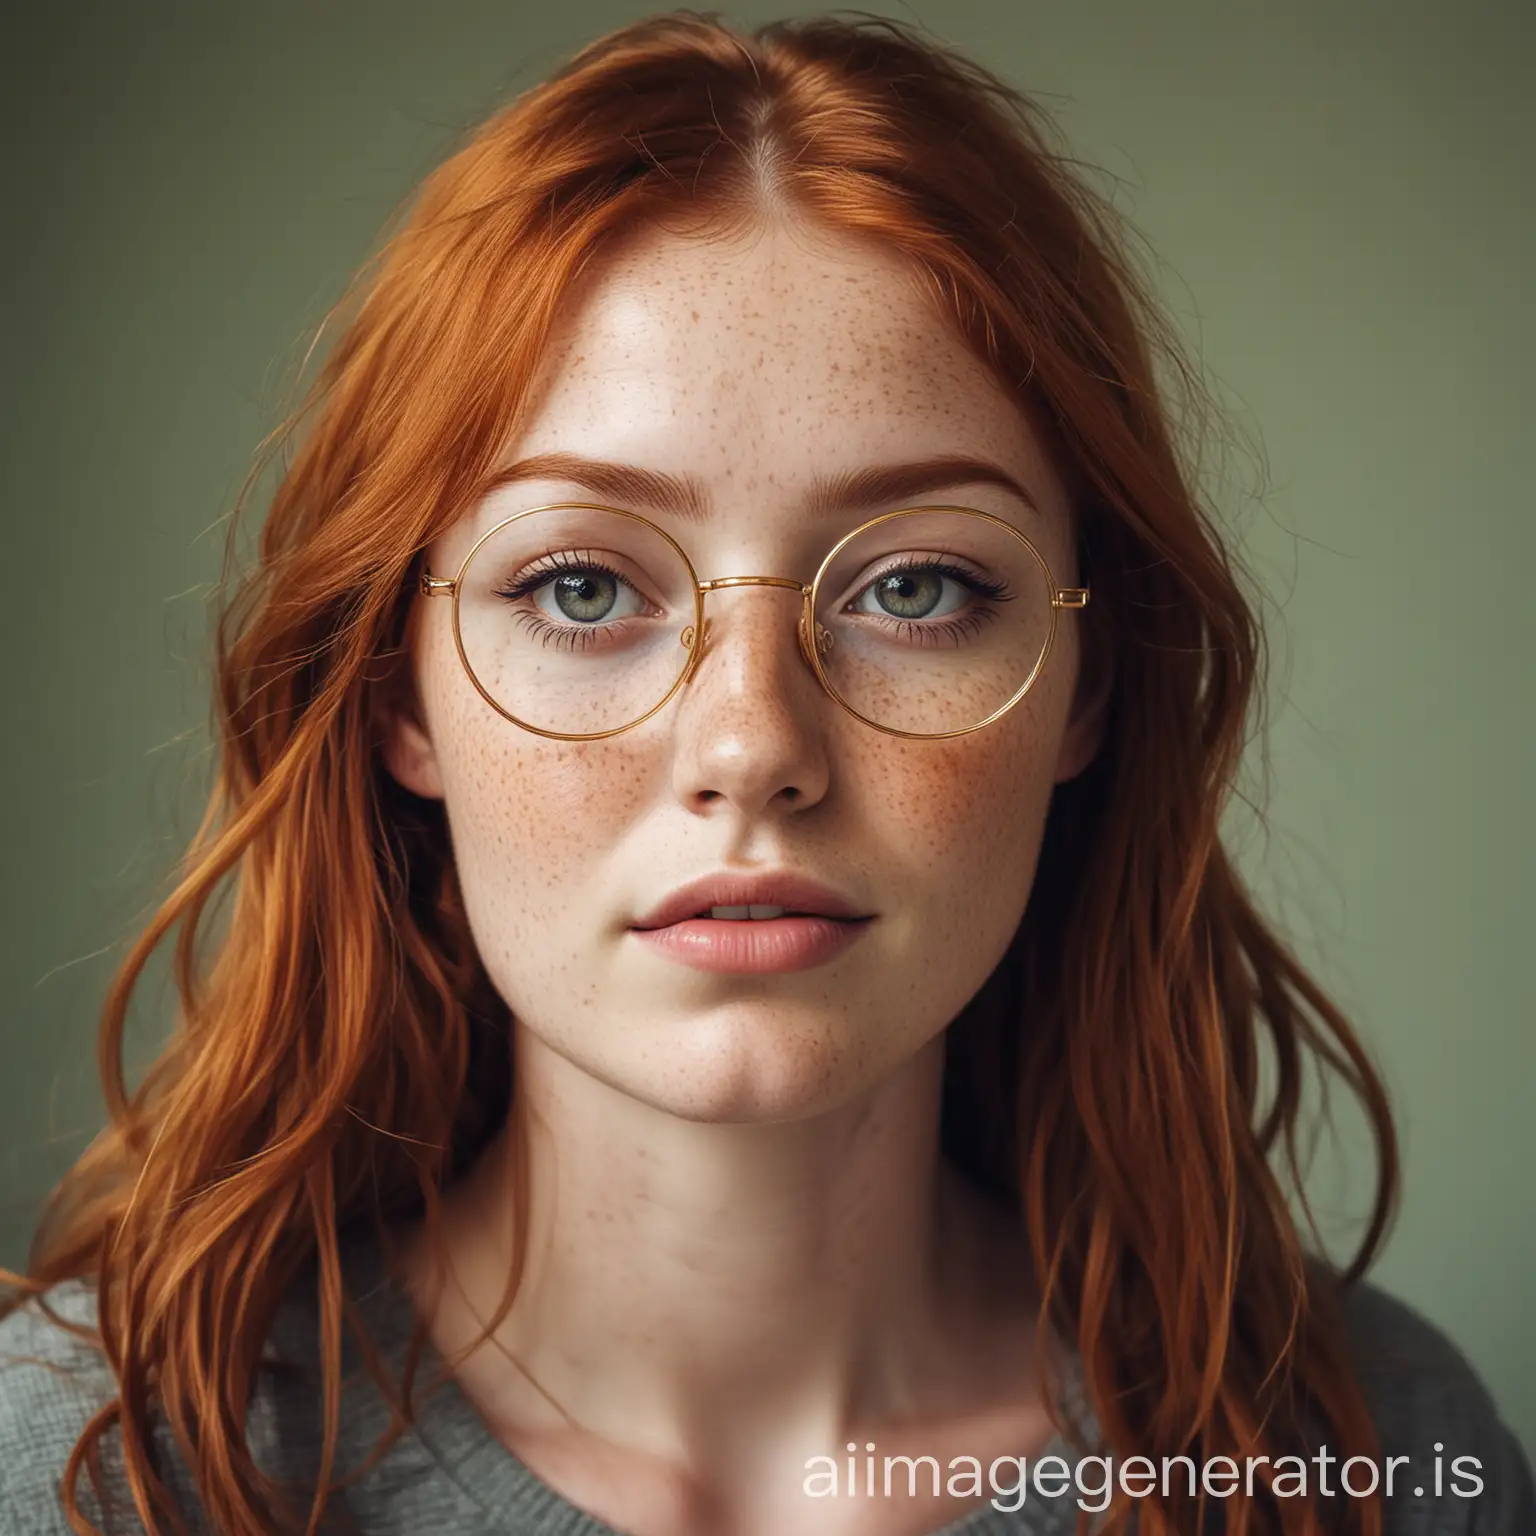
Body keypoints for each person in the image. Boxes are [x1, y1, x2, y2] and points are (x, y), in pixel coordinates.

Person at [0, 11, 1529, 1536]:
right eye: (582, 588)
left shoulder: (1373, 1458)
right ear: (399, 695)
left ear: (1088, 686)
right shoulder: (105, 1468)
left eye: (916, 586)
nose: (752, 748)